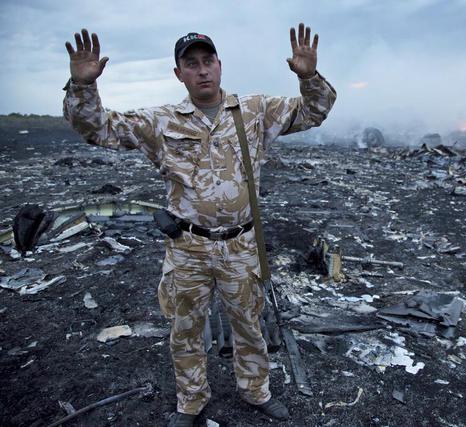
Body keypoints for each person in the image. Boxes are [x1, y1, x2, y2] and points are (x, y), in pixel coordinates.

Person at [63, 24, 336, 426]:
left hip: (241, 245)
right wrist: (82, 85)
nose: (202, 70)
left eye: (208, 61)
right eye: (192, 64)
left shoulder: (256, 112)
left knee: (249, 324)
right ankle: (191, 401)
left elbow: (314, 111)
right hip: (187, 248)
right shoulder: (161, 121)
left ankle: (255, 391)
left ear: (220, 65)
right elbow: (98, 129)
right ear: (179, 74)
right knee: (185, 329)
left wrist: (308, 76)